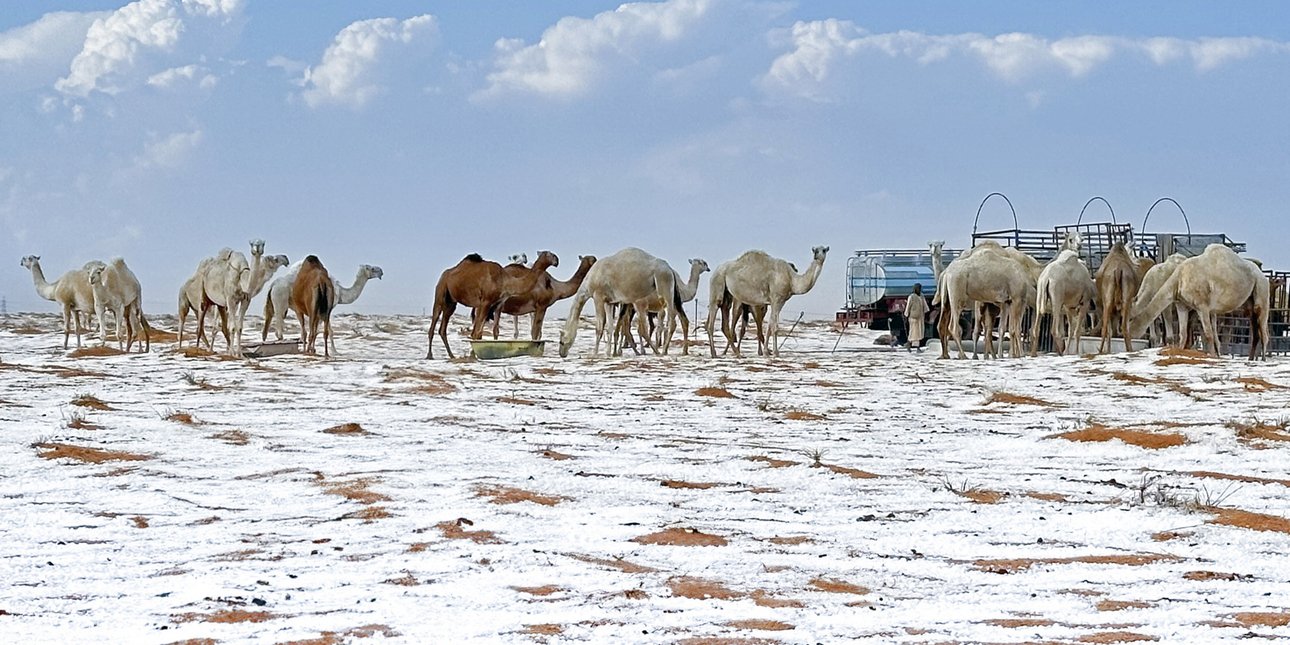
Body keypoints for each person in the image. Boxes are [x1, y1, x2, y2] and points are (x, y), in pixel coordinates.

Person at [905, 283, 929, 352]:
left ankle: (917, 347)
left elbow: (925, 306)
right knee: (913, 333)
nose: (919, 290)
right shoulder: (911, 297)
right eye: (918, 288)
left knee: (919, 333)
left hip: (920, 318)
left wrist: (926, 313)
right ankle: (909, 345)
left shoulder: (921, 296)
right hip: (913, 318)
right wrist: (906, 315)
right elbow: (908, 307)